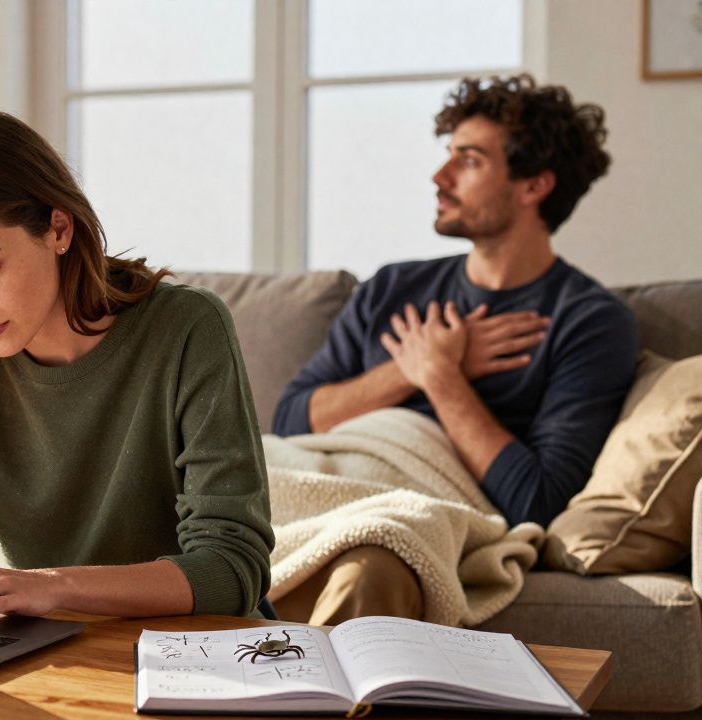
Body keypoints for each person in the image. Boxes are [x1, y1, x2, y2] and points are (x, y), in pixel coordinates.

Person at [0, 109, 275, 623]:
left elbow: (232, 567)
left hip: (197, 658)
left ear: (58, 228)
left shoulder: (188, 328)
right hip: (51, 661)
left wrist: (53, 586)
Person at [270, 75, 638, 625]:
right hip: (312, 479)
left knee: (374, 562)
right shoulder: (393, 289)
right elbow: (292, 416)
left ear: (534, 185)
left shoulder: (587, 321)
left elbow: (538, 500)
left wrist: (442, 376)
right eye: (448, 156)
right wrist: (407, 371)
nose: (439, 177)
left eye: (467, 160)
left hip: (415, 510)